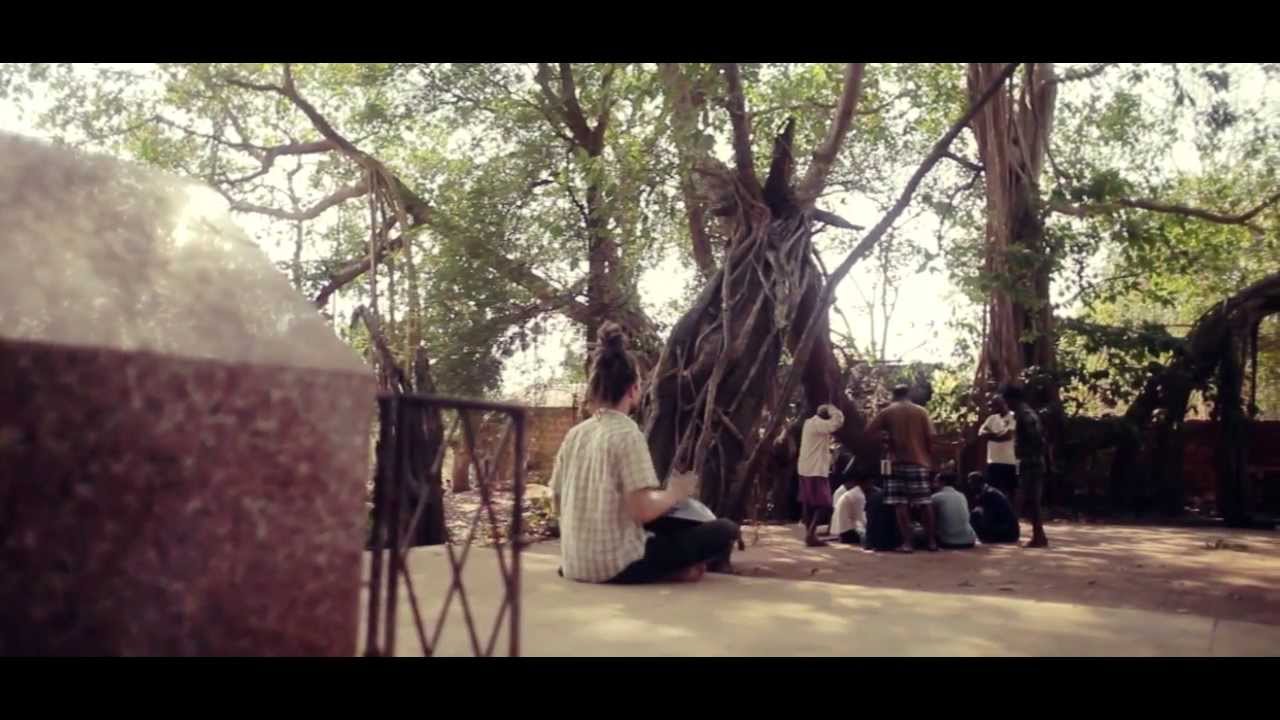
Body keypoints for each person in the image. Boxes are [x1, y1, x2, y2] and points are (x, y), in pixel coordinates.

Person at [550, 322, 738, 583]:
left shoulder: (576, 434)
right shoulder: (627, 433)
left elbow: (556, 501)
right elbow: (643, 511)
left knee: (664, 530)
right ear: (633, 389)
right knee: (725, 530)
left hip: (573, 563)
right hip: (615, 565)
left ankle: (676, 569)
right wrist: (675, 493)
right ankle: (677, 571)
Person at [866, 385, 938, 552]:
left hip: (896, 462)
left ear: (893, 395)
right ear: (909, 394)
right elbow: (931, 437)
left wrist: (886, 439)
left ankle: (908, 543)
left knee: (900, 504)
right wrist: (930, 459)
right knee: (924, 502)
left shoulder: (888, 412)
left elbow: (868, 432)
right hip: (919, 461)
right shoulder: (921, 412)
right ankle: (932, 542)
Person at [1002, 384, 1050, 548]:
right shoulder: (1027, 412)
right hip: (1033, 461)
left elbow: (1036, 438)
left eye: (1006, 400)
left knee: (1031, 500)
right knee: (1032, 500)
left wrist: (1028, 454)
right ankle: (1039, 535)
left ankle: (1039, 536)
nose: (1006, 404)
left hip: (1031, 462)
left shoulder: (1024, 414)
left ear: (1012, 399)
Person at [797, 403, 845, 547]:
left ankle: (809, 534)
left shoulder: (809, 423)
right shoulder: (819, 425)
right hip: (815, 470)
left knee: (808, 502)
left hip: (805, 468)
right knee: (825, 504)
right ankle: (811, 534)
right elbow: (837, 423)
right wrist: (833, 409)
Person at [978, 394, 1018, 500]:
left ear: (1004, 404)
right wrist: (997, 435)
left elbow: (1008, 436)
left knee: (1010, 492)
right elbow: (981, 433)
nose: (994, 408)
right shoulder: (991, 418)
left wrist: (990, 436)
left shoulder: (1013, 416)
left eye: (997, 405)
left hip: (1010, 461)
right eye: (993, 406)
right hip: (993, 461)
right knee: (994, 491)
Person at [967, 472, 1020, 544]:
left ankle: (986, 538)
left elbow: (989, 517)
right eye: (970, 485)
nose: (971, 487)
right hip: (1010, 532)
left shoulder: (989, 494)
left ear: (980, 483)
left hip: (1008, 533)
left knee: (974, 515)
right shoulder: (989, 491)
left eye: (973, 484)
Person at [930, 473, 977, 549]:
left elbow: (930, 519)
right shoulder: (962, 495)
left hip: (948, 541)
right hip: (969, 540)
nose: (932, 483)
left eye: (935, 481)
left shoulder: (935, 497)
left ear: (943, 482)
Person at [831, 474, 869, 545]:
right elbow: (862, 518)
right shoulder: (859, 495)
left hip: (841, 531)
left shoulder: (854, 492)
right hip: (847, 532)